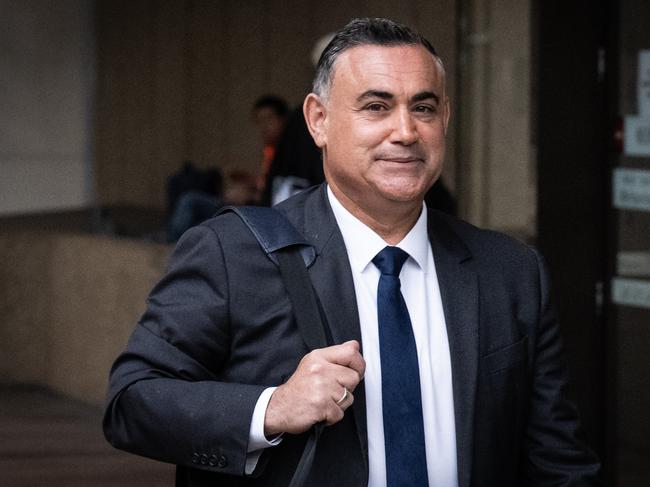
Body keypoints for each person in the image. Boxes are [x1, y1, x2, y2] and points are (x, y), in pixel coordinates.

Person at [103, 18, 600, 487]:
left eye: (423, 108)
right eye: (376, 107)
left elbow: (557, 462)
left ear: (445, 119)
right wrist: (270, 407)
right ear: (318, 120)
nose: (406, 132)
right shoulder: (231, 253)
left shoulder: (511, 272)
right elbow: (132, 401)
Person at [252, 95, 289, 193]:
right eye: (259, 121)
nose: (264, 126)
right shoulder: (270, 150)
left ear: (283, 119)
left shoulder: (293, 152)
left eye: (268, 119)